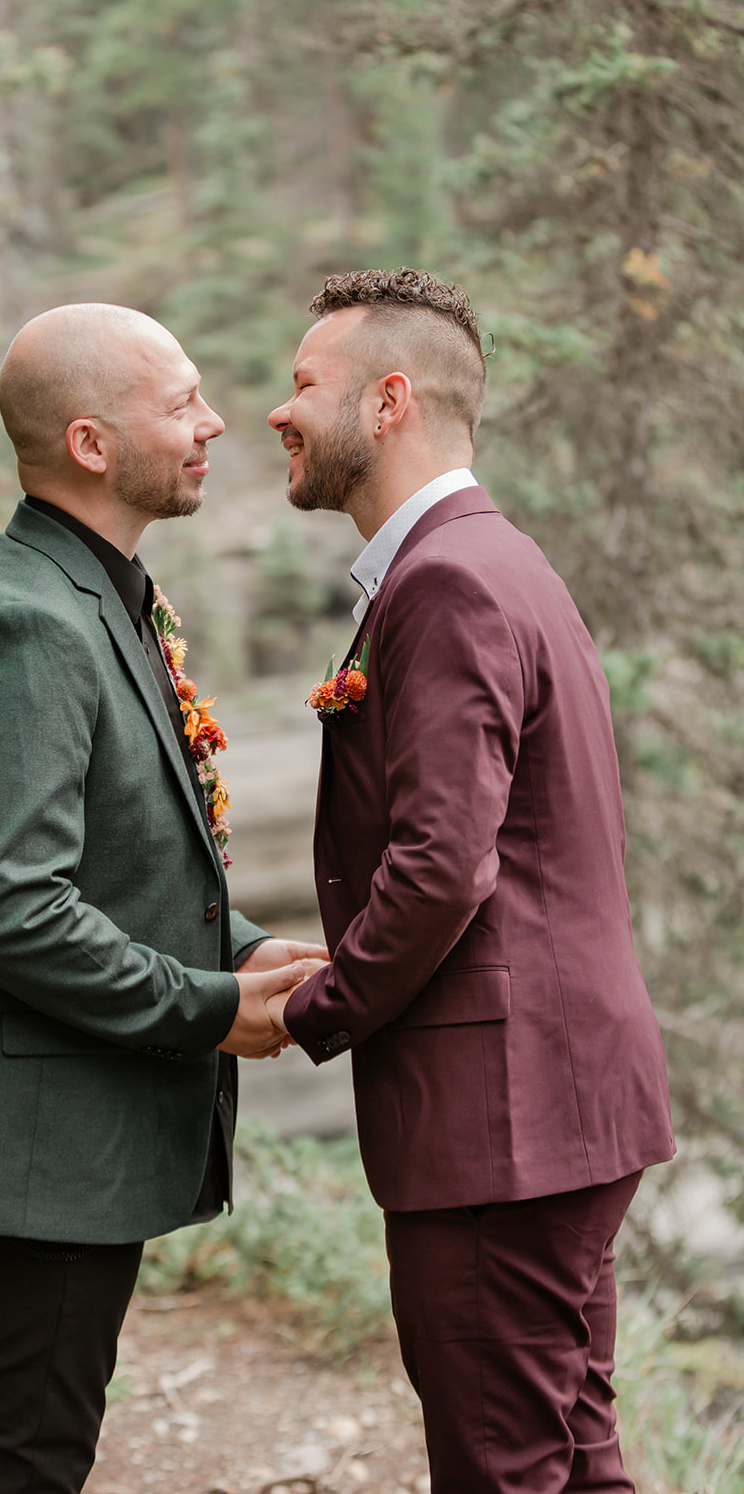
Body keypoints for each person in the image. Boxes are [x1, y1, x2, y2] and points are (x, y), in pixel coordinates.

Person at [0, 301, 325, 1494]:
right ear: (89, 443)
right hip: (39, 1153)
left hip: (59, 1147)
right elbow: (13, 908)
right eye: (181, 403)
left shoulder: (97, 591)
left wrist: (246, 950)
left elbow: (119, 864)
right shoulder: (26, 622)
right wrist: (205, 1005)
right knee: (23, 1462)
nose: (215, 424)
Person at [268, 268, 675, 1494]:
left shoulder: (444, 579)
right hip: (558, 1104)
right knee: (566, 1450)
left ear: (387, 402)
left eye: (301, 384)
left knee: (499, 1465)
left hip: (504, 1119)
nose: (277, 412)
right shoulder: (496, 559)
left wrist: (315, 1006)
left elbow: (443, 861)